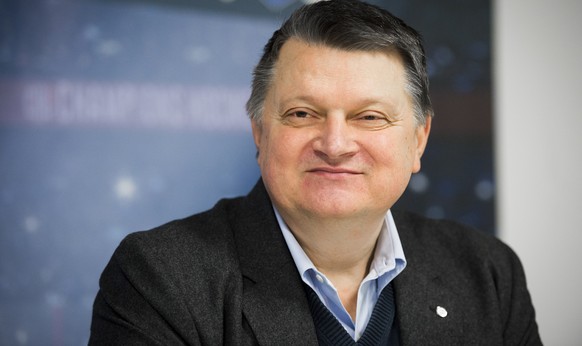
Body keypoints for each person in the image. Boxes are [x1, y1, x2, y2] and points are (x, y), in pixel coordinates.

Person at [89, 0, 542, 345]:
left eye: (370, 117)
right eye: (303, 114)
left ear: (418, 141)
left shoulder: (488, 274)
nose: (335, 144)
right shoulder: (159, 279)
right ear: (260, 133)